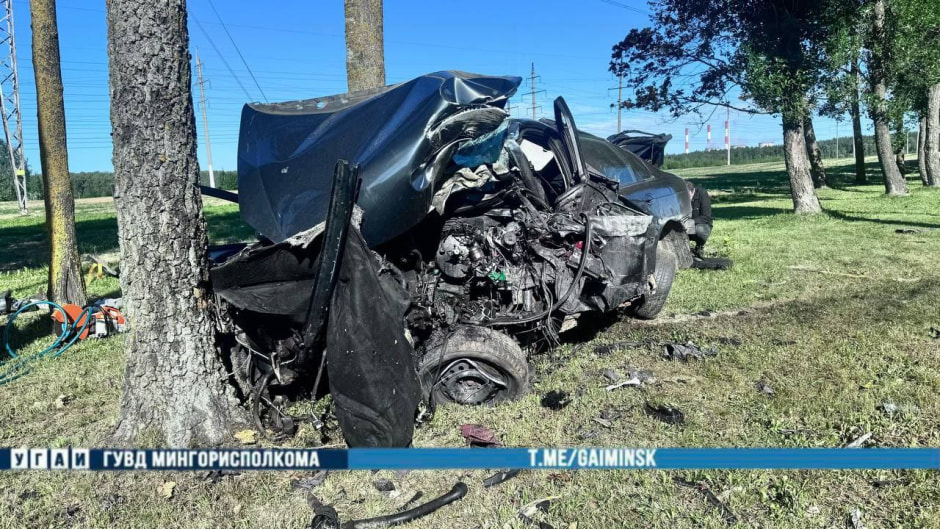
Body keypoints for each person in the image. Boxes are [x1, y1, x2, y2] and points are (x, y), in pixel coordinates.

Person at [686, 180, 712, 258]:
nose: (685, 198)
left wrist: (689, 222)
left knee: (700, 230)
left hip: (700, 225)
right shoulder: (679, 197)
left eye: (687, 195)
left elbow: (706, 217)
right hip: (683, 224)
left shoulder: (702, 193)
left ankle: (699, 247)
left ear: (693, 190)